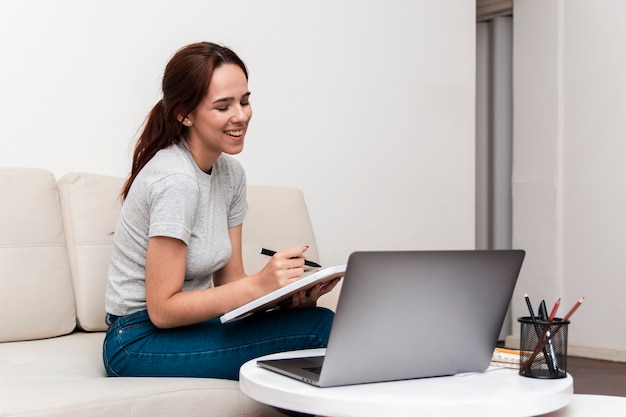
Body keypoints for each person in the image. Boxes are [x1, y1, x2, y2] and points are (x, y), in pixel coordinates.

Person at [103, 42, 339, 381]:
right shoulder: (175, 182)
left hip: (192, 326)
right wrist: (261, 284)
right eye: (222, 106)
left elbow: (230, 283)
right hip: (136, 340)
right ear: (184, 114)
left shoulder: (230, 174)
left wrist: (282, 298)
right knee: (319, 331)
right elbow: (162, 310)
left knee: (311, 320)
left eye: (244, 101)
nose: (241, 115)